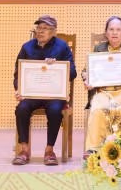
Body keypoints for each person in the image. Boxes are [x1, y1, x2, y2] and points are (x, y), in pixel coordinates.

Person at [12, 15, 76, 166]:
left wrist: (58, 64)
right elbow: (17, 73)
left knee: (55, 110)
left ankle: (49, 150)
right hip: (32, 94)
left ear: (53, 32)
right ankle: (24, 150)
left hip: (54, 95)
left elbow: (72, 73)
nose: (40, 31)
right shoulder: (27, 47)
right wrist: (19, 89)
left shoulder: (62, 47)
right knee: (21, 109)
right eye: (39, 28)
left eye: (45, 28)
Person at [83, 16, 121, 153]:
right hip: (103, 91)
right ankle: (95, 150)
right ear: (106, 33)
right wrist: (87, 80)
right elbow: (85, 72)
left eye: (118, 29)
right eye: (111, 29)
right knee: (98, 110)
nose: (114, 32)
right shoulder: (97, 49)